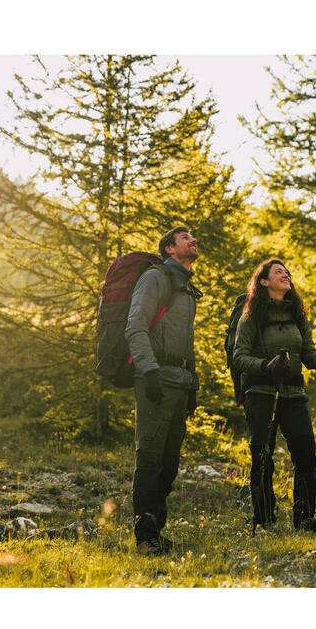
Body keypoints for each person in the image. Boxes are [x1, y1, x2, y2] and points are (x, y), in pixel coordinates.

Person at [232, 259, 316, 533]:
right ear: (264, 281)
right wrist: (266, 367)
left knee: (305, 453)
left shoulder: (297, 314)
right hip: (261, 393)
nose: (285, 274)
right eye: (278, 272)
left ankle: (304, 517)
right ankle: (263, 519)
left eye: (286, 272)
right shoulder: (251, 314)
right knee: (263, 455)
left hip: (293, 393)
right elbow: (239, 356)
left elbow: (308, 353)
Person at [126, 226, 201, 555]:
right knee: (151, 459)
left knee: (169, 462)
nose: (193, 241)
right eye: (185, 238)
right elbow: (136, 324)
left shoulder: (185, 287)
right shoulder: (156, 278)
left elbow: (186, 340)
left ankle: (156, 530)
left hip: (180, 383)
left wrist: (192, 383)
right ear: (170, 249)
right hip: (156, 379)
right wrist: (149, 371)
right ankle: (144, 538)